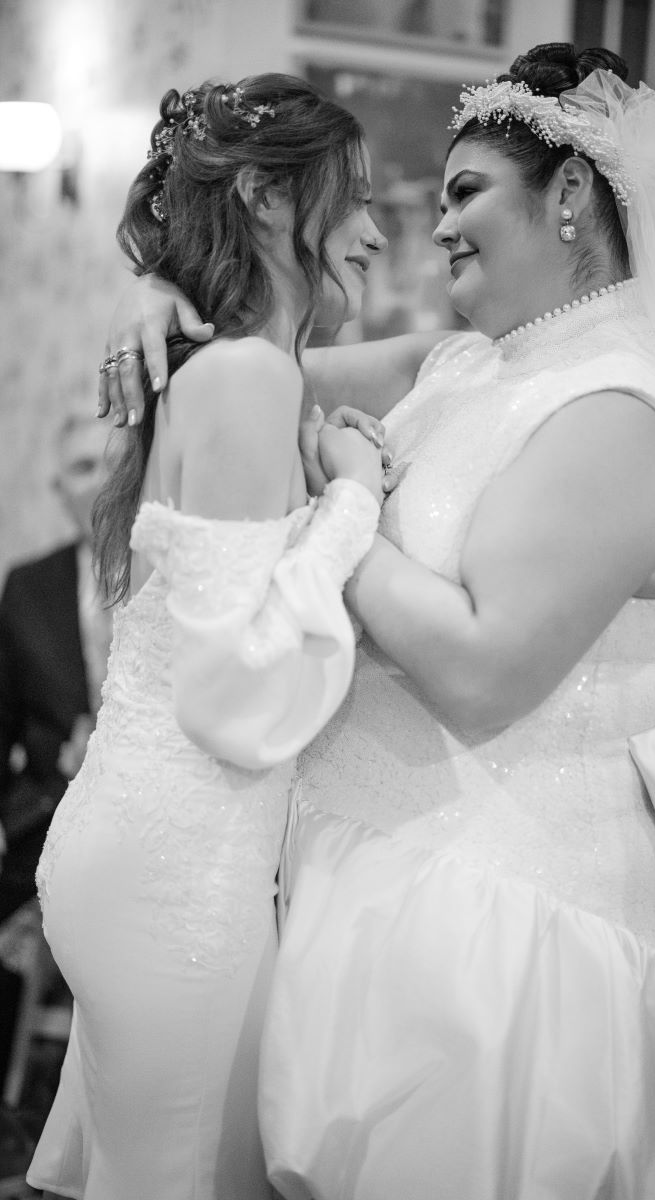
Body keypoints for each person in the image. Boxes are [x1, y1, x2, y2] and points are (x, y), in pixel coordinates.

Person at [100, 43, 655, 1200]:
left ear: (569, 195)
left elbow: (481, 670)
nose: (436, 229)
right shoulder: (467, 362)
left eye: (466, 190)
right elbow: (248, 365)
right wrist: (158, 289)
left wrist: (347, 504)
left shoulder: (619, 411)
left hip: (505, 966)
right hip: (361, 882)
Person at [26, 74, 387, 1200]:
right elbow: (230, 697)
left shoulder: (249, 372)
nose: (378, 230)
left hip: (164, 847)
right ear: (274, 205)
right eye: (358, 197)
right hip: (174, 865)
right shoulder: (238, 380)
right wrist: (355, 505)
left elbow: (449, 359)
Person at [0, 413, 111, 1094]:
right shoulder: (28, 586)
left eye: (107, 462)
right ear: (58, 489)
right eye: (79, 469)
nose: (97, 484)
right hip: (43, 815)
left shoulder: (171, 567)